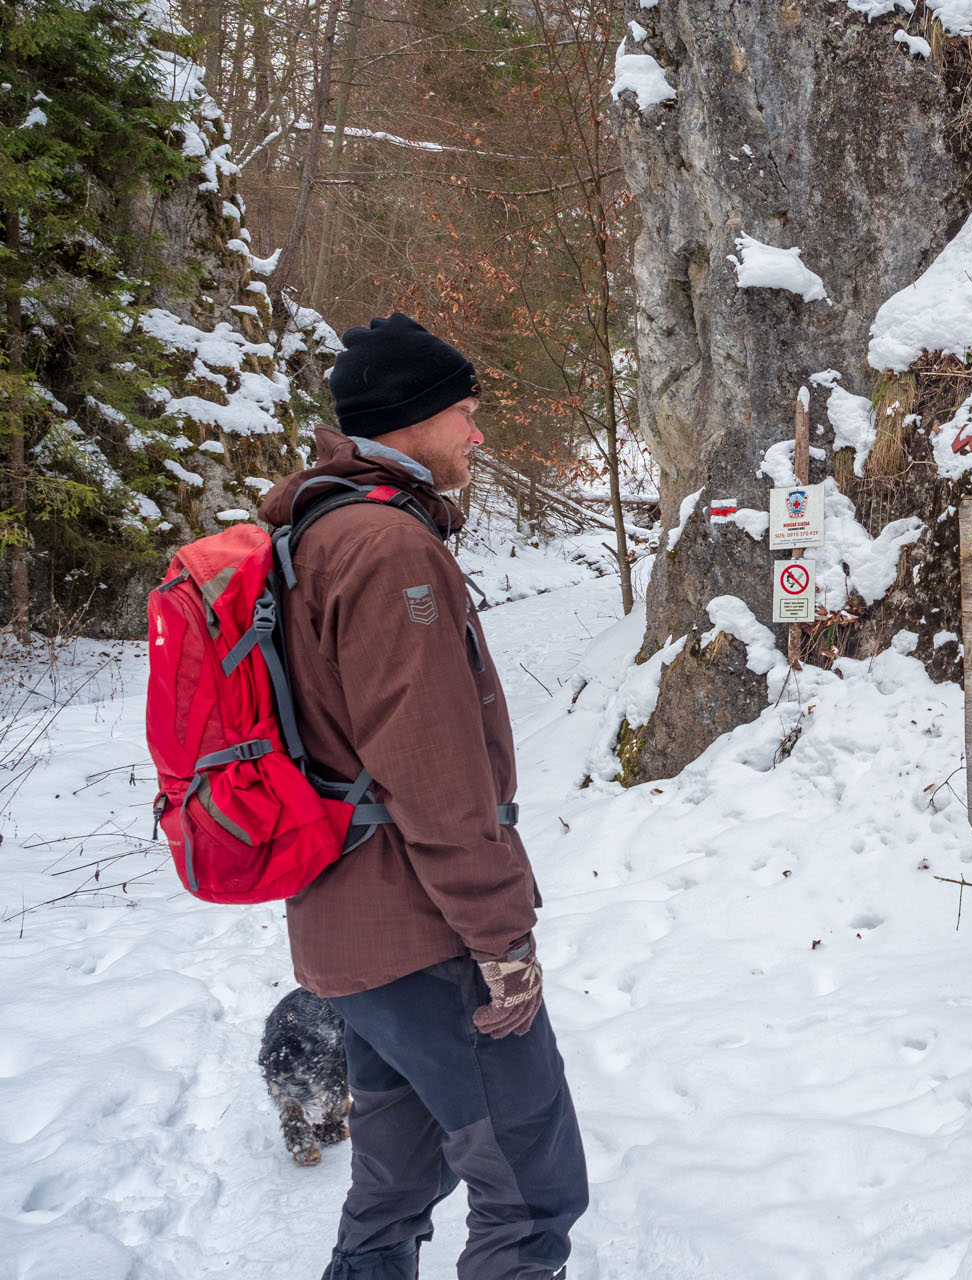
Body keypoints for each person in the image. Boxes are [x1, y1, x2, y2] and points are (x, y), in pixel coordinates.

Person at [260, 313, 588, 1280]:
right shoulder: (387, 549)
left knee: (396, 1183)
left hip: (351, 935)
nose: (477, 435)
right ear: (410, 421)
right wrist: (501, 942)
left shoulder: (316, 527)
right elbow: (438, 775)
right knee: (533, 1194)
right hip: (424, 934)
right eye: (465, 413)